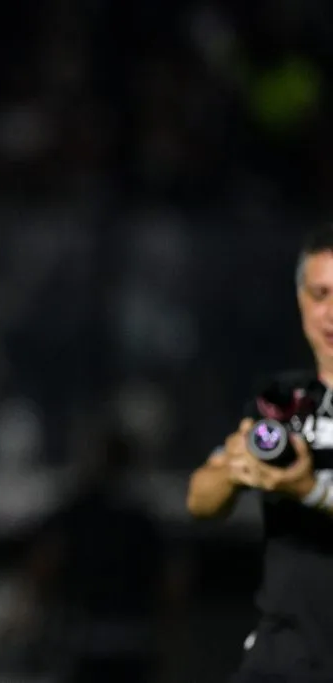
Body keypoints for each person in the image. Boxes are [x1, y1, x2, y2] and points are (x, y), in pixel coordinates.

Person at [187, 225, 333, 682]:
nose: (331, 312)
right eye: (320, 293)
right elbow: (199, 500)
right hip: (281, 661)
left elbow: (310, 490)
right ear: (300, 301)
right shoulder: (282, 400)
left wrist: (311, 491)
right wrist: (232, 472)